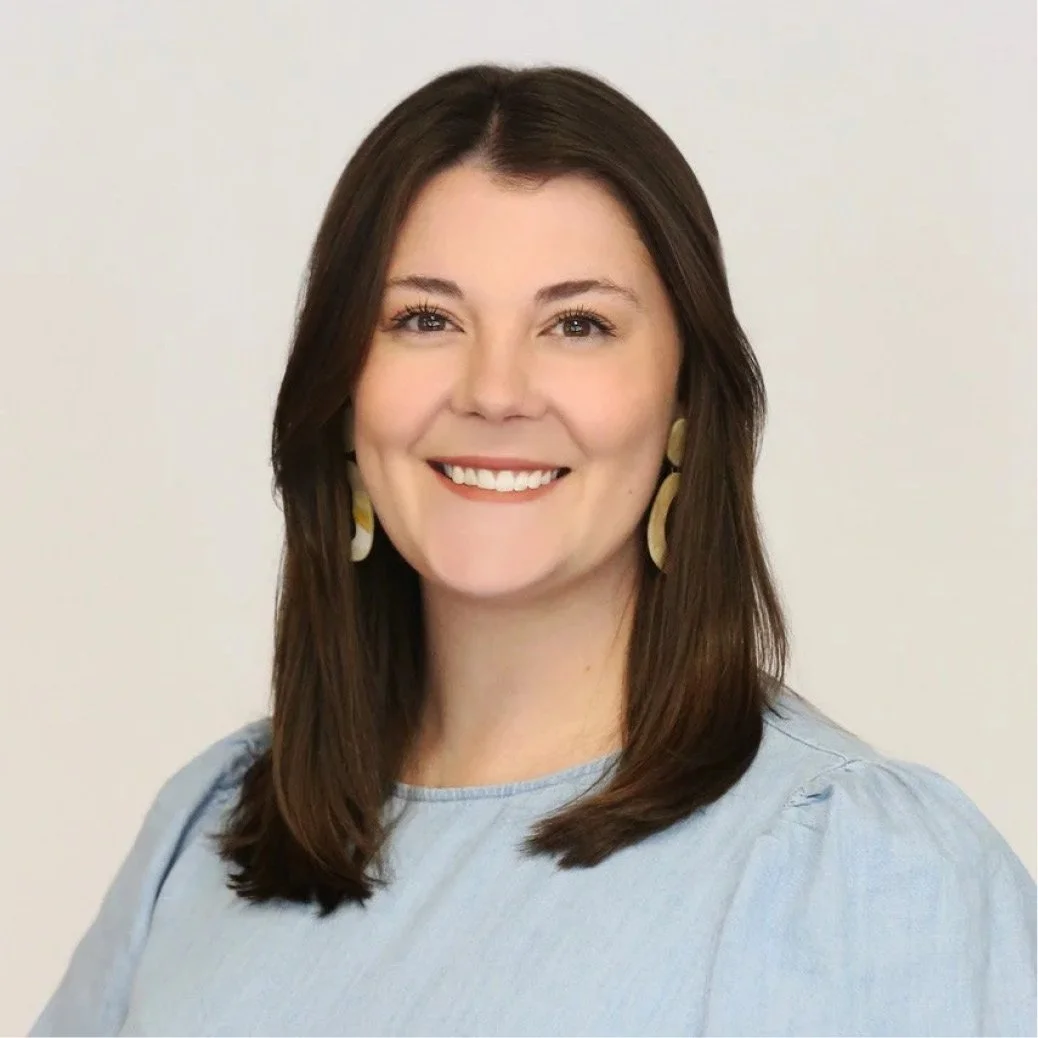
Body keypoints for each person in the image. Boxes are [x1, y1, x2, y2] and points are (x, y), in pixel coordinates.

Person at [31, 63, 1035, 1037]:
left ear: (687, 408)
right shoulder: (211, 829)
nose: (495, 391)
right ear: (343, 399)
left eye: (578, 324)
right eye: (424, 318)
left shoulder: (863, 872)